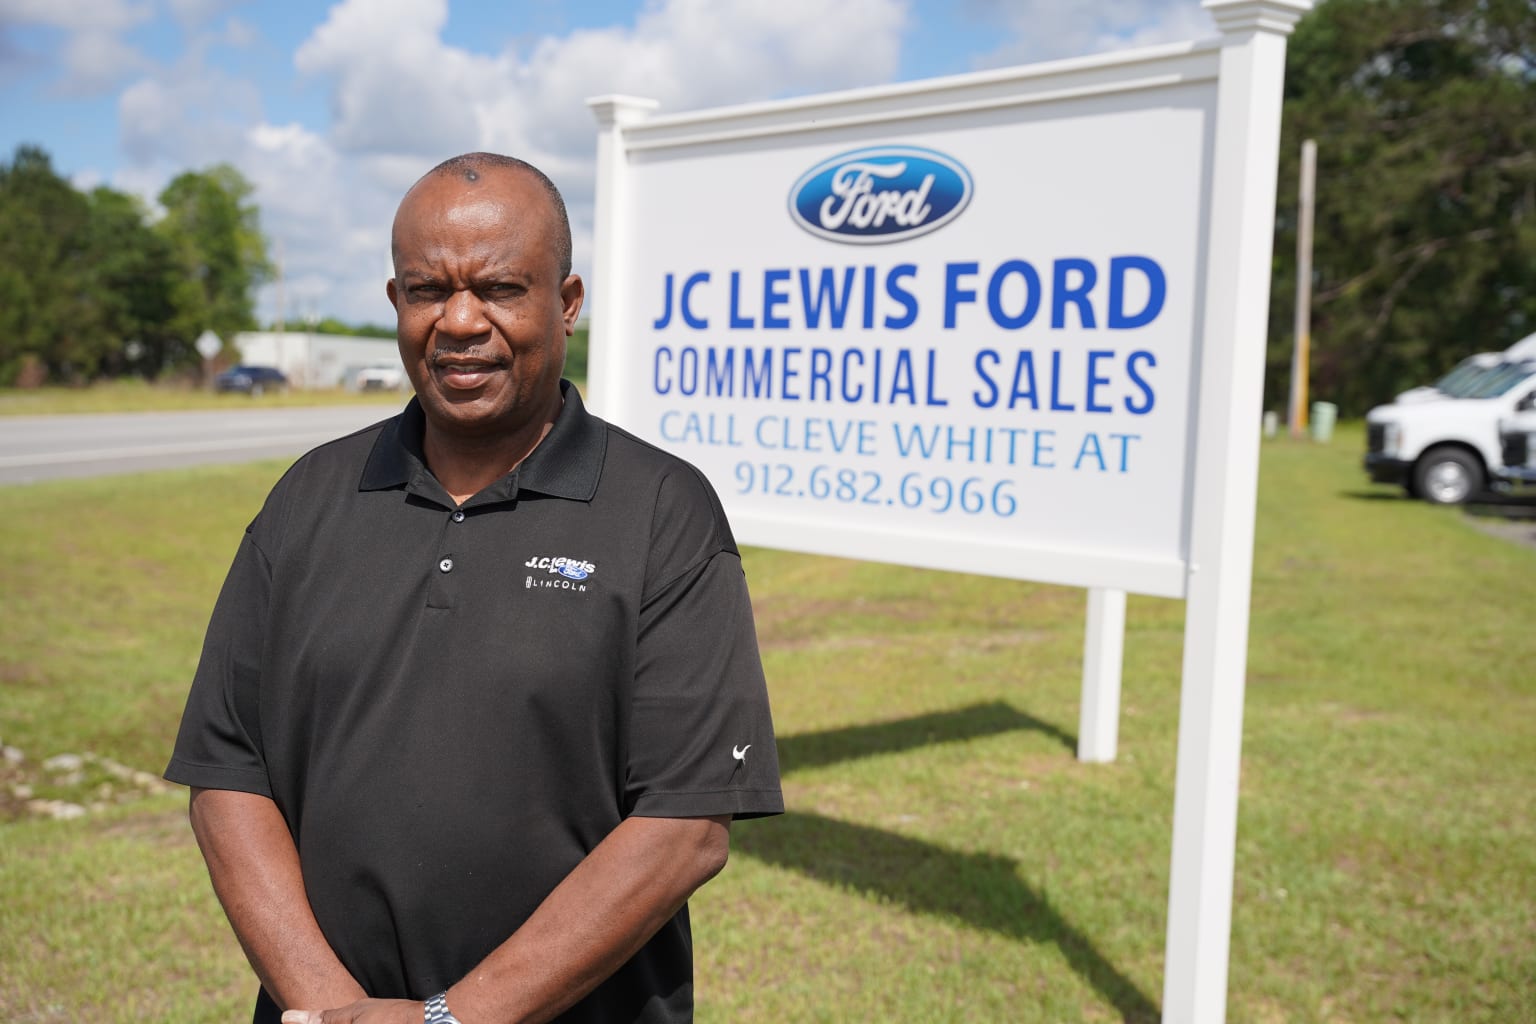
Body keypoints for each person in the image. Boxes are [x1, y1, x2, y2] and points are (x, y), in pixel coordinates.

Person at [166, 152, 783, 1024]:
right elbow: (229, 775)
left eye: (498, 289)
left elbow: (685, 828)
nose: (459, 322)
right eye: (427, 291)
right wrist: (332, 1009)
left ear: (566, 303)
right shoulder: (309, 498)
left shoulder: (661, 512)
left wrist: (452, 1019)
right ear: (395, 303)